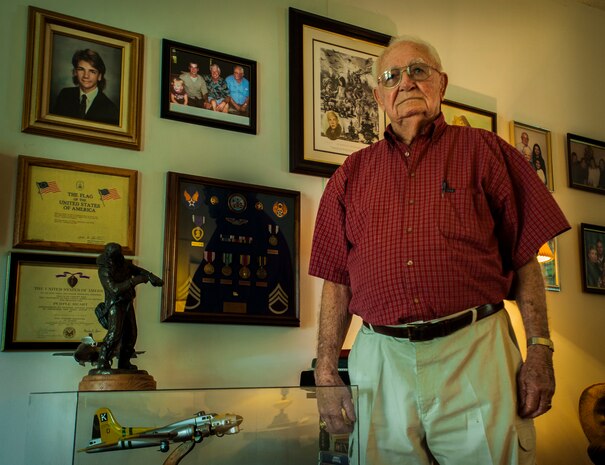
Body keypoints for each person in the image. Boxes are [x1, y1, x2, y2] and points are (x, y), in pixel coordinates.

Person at [309, 36, 570, 465]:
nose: (406, 83)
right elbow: (336, 280)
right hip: (380, 362)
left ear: (441, 83)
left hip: (475, 353)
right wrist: (325, 373)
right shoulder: (350, 175)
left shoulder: (486, 152)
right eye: (391, 76)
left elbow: (525, 258)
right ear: (379, 96)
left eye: (418, 70)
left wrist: (540, 348)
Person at [95, 243, 163, 372]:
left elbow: (138, 270)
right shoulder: (104, 270)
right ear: (108, 256)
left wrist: (151, 277)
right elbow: (114, 289)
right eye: (113, 257)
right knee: (114, 334)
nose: (116, 259)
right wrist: (135, 281)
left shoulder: (123, 264)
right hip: (115, 304)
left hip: (127, 303)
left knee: (131, 334)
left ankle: (124, 362)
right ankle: (102, 361)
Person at [52, 49, 119, 125]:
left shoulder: (110, 109)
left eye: (92, 71)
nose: (86, 76)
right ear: (75, 72)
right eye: (81, 69)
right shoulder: (64, 95)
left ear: (99, 76)